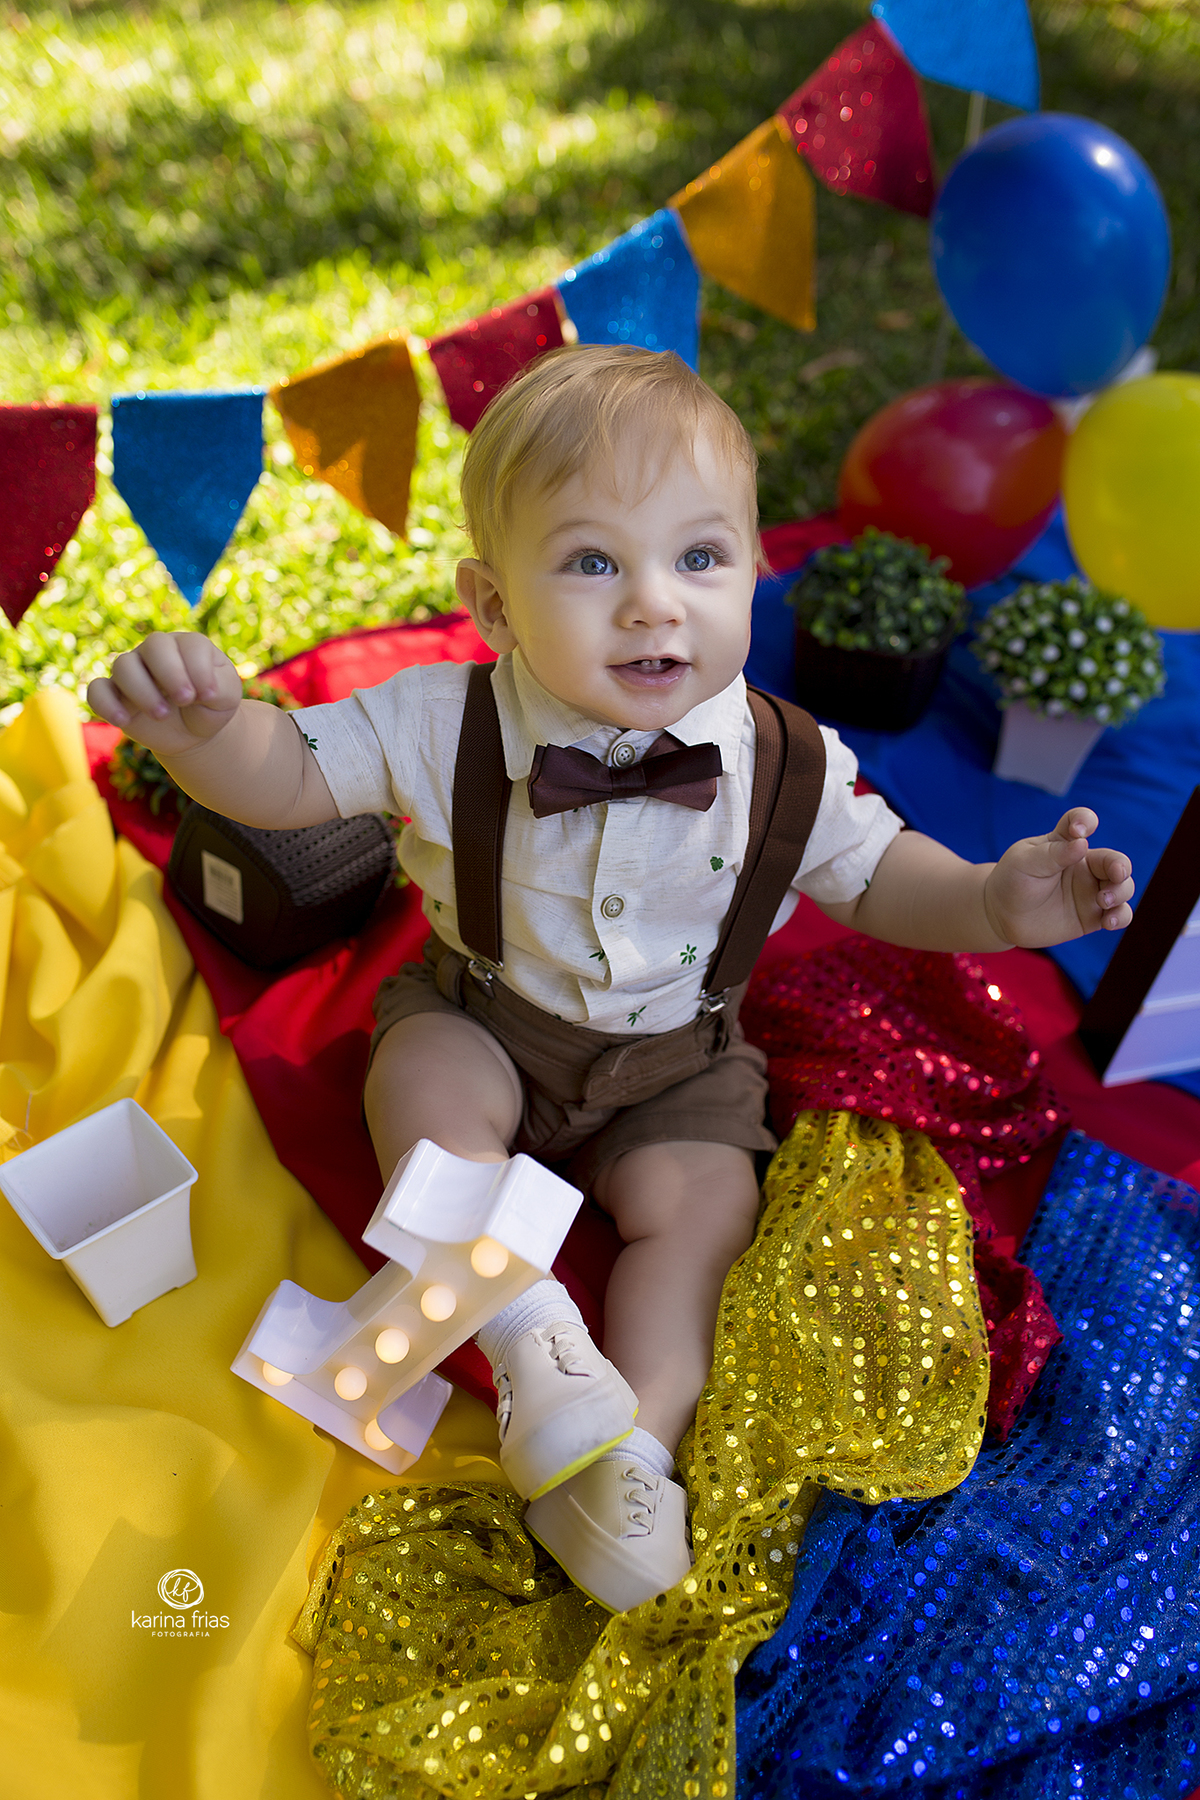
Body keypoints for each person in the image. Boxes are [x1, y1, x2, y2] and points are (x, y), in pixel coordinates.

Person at [87, 343, 1134, 1613]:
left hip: (679, 1063)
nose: (653, 605)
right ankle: (534, 1336)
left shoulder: (783, 762)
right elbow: (295, 776)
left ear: (755, 569)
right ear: (492, 604)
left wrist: (989, 899)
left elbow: (875, 879)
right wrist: (211, 740)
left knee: (699, 1224)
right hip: (488, 1014)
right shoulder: (440, 720)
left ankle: (626, 1458)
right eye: (593, 562)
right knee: (419, 1087)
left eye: (699, 559)